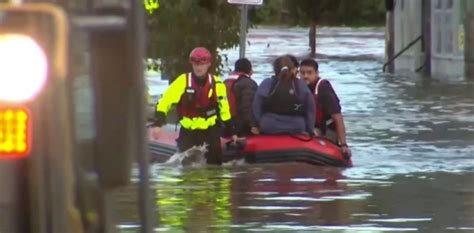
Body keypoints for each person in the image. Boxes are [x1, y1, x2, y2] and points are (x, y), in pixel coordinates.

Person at [150, 47, 237, 165]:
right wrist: (158, 123)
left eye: (202, 64)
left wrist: (232, 132)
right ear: (192, 64)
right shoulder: (182, 82)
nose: (199, 67)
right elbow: (165, 102)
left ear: (208, 64)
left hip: (210, 133)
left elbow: (224, 111)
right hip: (188, 133)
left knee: (215, 169)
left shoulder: (217, 84)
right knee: (186, 169)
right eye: (196, 64)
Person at [299, 58, 351, 156]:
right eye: (302, 73)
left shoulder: (323, 89)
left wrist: (343, 144)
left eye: (309, 73)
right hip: (307, 128)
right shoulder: (299, 88)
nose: (305, 76)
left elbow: (337, 117)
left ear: (317, 73)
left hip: (326, 130)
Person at [252, 56, 315, 135]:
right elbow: (310, 110)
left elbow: (256, 106)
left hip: (269, 126)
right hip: (296, 127)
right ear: (292, 69)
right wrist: (309, 130)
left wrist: (259, 123)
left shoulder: (267, 83)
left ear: (275, 70)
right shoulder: (300, 85)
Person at [223, 58, 258, 136]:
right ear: (249, 70)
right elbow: (247, 107)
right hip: (239, 126)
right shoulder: (249, 84)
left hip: (225, 124)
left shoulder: (225, 82)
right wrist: (253, 125)